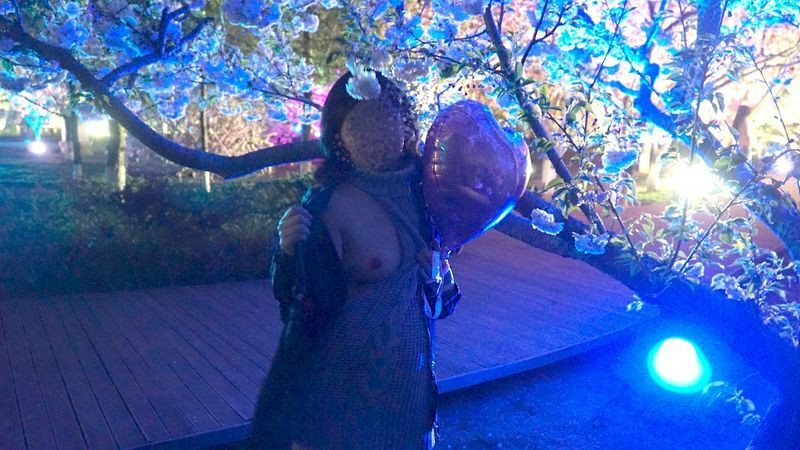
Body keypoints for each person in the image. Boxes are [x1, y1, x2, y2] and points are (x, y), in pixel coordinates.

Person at [245, 70, 462, 449]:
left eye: (386, 117)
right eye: (361, 123)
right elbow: (298, 307)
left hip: (410, 405)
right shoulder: (329, 205)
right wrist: (289, 253)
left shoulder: (428, 199)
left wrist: (436, 279)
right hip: (338, 406)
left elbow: (442, 304)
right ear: (340, 135)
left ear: (406, 124)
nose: (376, 133)